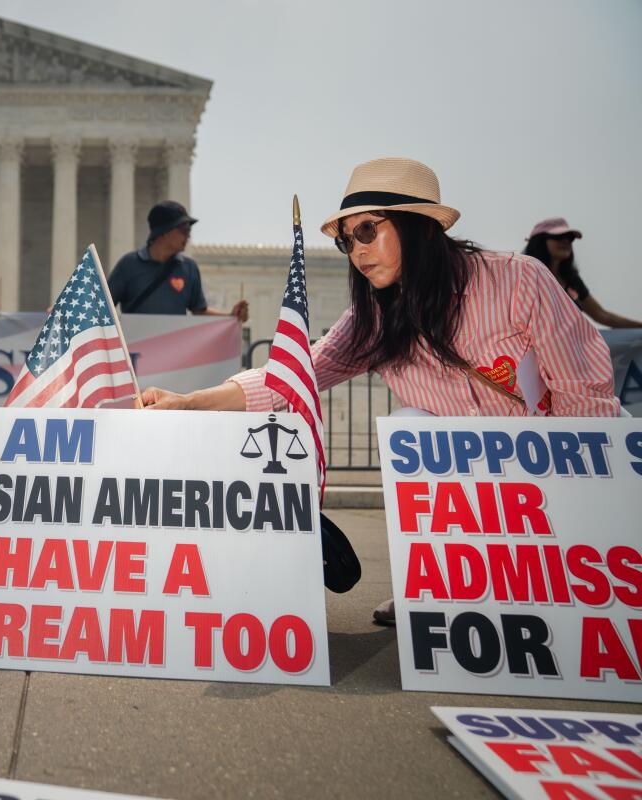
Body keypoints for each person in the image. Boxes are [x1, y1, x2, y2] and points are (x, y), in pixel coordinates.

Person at [139, 158, 621, 625]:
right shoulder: (373, 318)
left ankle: (557, 578)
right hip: (474, 485)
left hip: (554, 463)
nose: (358, 250)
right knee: (412, 426)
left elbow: (586, 399)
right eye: (348, 241)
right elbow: (291, 377)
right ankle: (436, 586)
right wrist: (188, 402)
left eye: (368, 230)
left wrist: (590, 529)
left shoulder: (518, 280)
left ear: (421, 226)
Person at [107, 201, 248, 320]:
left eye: (189, 231)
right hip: (134, 350)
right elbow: (103, 309)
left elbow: (199, 311)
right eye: (184, 230)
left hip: (175, 351)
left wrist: (231, 316)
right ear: (163, 232)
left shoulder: (189, 268)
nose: (188, 236)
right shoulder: (129, 265)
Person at [523, 217, 642, 328]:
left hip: (565, 348)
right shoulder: (523, 276)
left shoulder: (572, 280)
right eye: (559, 237)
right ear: (539, 241)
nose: (566, 241)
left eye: (570, 238)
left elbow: (601, 315)